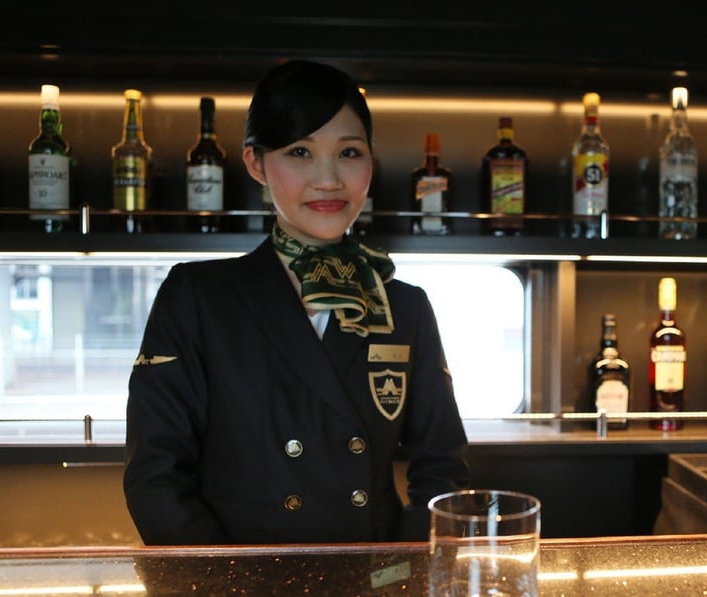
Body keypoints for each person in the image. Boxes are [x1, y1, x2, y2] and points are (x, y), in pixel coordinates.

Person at [123, 60, 469, 545]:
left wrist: (407, 564)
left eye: (349, 152)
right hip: (241, 575)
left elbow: (443, 468)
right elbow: (156, 478)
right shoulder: (197, 296)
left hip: (373, 572)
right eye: (300, 152)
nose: (328, 179)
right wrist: (224, 578)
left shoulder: (404, 307)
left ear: (370, 163)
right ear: (255, 163)